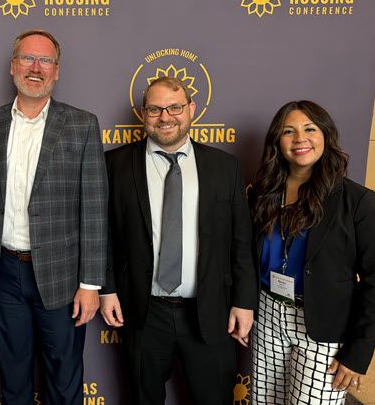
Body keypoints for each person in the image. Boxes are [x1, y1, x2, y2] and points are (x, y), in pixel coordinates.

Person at [0, 29, 107, 405]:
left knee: (64, 378)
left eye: (45, 61)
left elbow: (94, 207)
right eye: (27, 58)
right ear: (13, 67)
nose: (35, 68)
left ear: (57, 71)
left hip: (62, 275)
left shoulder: (81, 124)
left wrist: (91, 283)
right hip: (3, 273)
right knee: (14, 379)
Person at [100, 76, 258, 404]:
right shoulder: (114, 164)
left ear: (191, 110)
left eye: (175, 107)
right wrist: (106, 288)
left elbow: (241, 241)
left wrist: (244, 300)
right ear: (143, 114)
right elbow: (103, 234)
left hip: (209, 311)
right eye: (156, 109)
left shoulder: (224, 167)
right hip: (143, 312)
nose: (166, 116)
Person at [249, 100, 375, 404]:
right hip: (267, 314)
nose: (299, 139)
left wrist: (358, 353)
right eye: (288, 131)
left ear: (326, 136)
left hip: (324, 325)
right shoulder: (260, 195)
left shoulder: (357, 201)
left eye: (310, 129)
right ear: (277, 142)